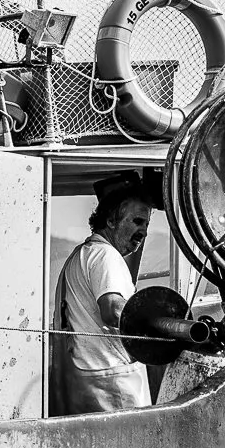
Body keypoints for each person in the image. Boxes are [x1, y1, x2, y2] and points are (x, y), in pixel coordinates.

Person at [49, 171, 159, 416]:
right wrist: (156, 327)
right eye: (137, 222)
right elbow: (113, 310)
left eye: (147, 224)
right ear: (111, 221)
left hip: (81, 378)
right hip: (111, 382)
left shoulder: (80, 256)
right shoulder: (106, 256)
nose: (144, 231)